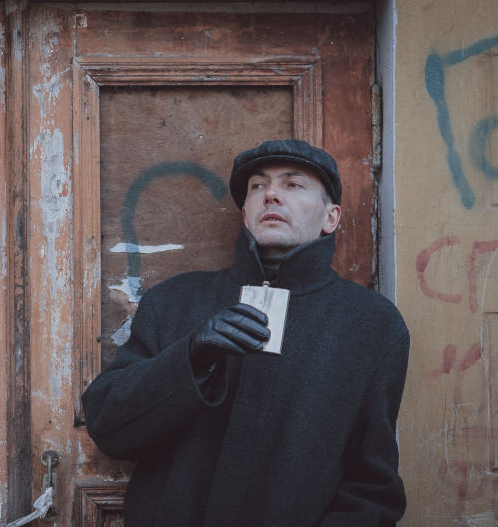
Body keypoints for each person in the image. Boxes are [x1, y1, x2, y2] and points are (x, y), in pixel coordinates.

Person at [81, 139, 410, 526]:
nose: (271, 194)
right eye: (258, 186)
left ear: (331, 218)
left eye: (293, 184)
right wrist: (191, 357)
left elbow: (373, 489)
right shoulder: (175, 300)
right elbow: (109, 428)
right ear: (245, 215)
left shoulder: (371, 324)